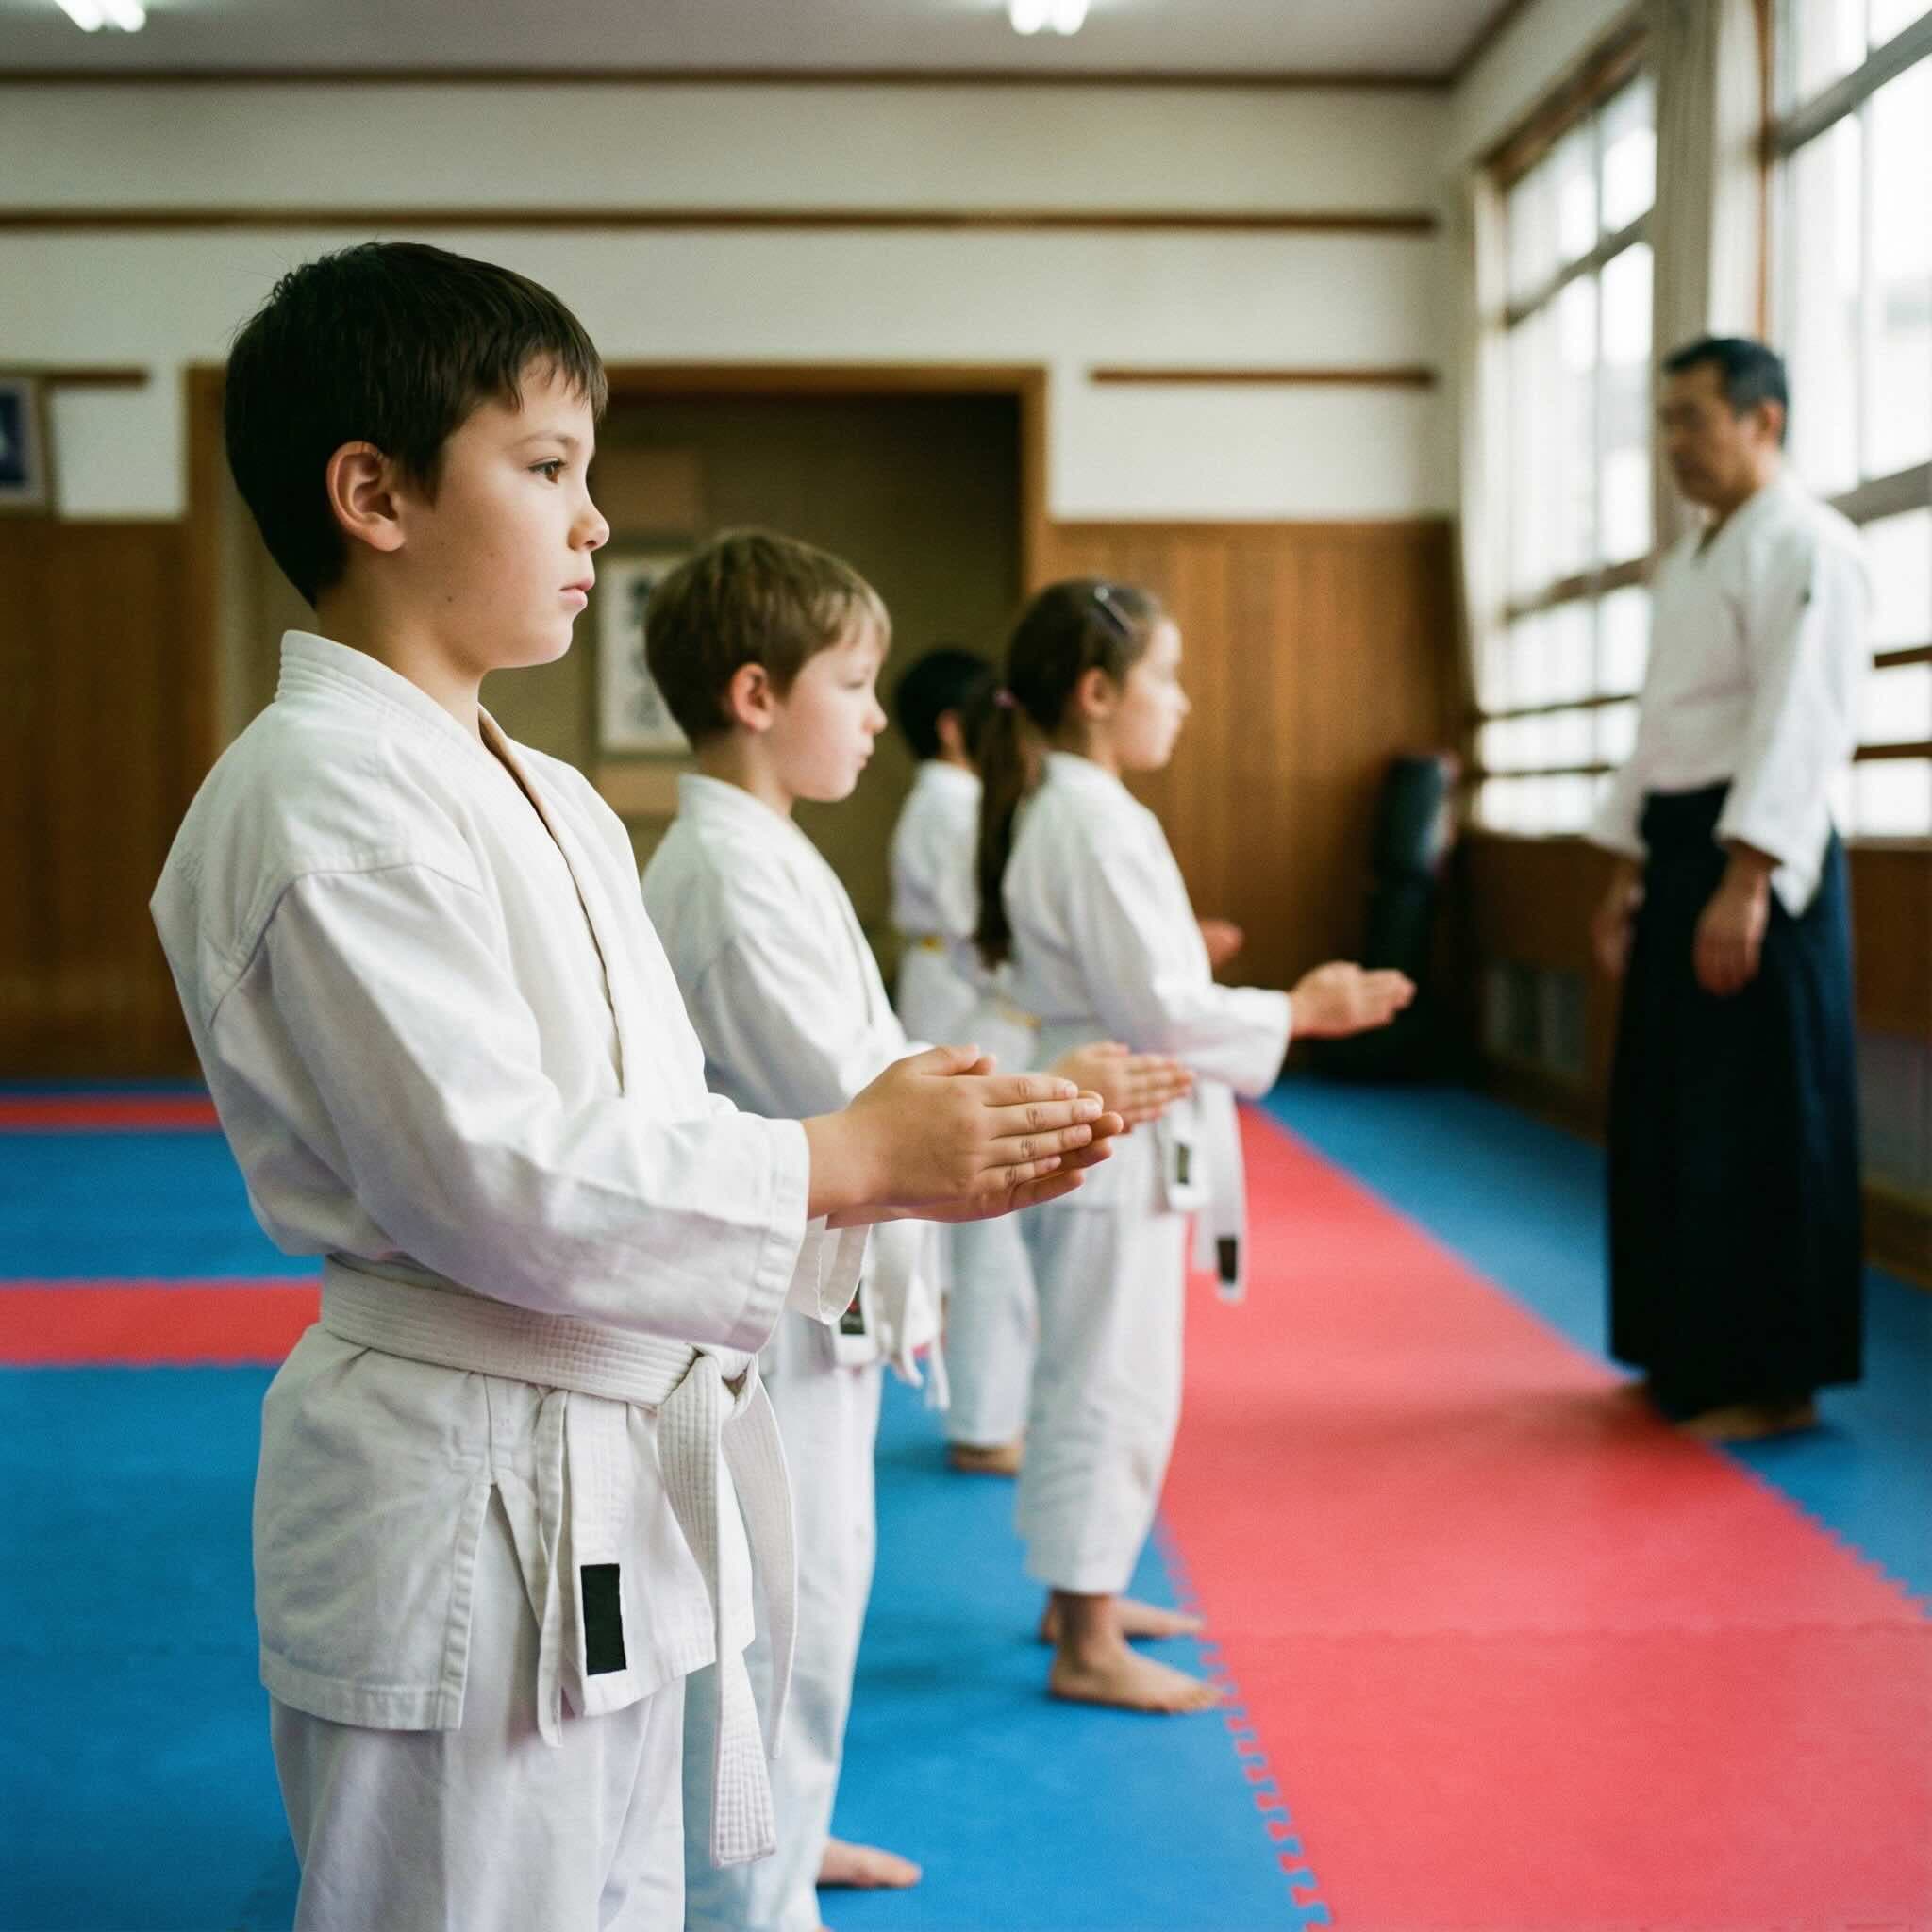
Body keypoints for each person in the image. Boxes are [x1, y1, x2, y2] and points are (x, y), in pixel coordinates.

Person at [148, 242, 1124, 1932]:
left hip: (609, 1451)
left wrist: (893, 1158)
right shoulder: (319, 795)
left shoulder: (551, 794)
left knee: (623, 1898)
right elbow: (491, 1172)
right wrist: (840, 1156)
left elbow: (657, 1118)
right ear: (374, 495)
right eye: (546, 470)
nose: (596, 523)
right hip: (455, 1476)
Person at [639, 530, 1185, 1930]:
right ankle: (746, 1898)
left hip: (816, 1286)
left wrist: (1037, 1088)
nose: (879, 716)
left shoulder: (771, 853)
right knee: (774, 1611)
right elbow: (858, 1106)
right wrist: (1049, 1085)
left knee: (816, 1602)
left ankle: (783, 1836)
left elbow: (879, 1065)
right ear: (756, 695)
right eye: (853, 683)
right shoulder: (723, 876)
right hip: (770, 1300)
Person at [976, 577, 1414, 1713]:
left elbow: (1146, 984)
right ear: (1095, 691)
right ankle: (1084, 1635)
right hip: (1109, 1115)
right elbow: (1160, 1009)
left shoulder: (1078, 808)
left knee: (1096, 1368)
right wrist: (1299, 1008)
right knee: (1107, 1377)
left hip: (1108, 1110)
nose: (1180, 701)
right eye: (1163, 677)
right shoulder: (1089, 819)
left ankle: (1080, 1596)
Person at [1589, 336, 1869, 1441]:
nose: (1672, 442)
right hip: (1677, 847)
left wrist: (1745, 878)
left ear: (1763, 420)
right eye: (1663, 420)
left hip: (1754, 857)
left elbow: (1802, 719)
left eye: (1692, 418)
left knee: (1761, 1111)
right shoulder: (1693, 557)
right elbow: (1658, 728)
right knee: (1672, 1106)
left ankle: (1773, 1377)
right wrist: (1629, 868)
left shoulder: (1809, 544)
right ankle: (1682, 1349)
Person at [891, 648, 1047, 1476]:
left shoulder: (950, 801)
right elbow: (978, 926)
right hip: (963, 994)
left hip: (957, 986)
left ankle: (985, 1405)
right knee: (986, 1213)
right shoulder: (950, 806)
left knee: (973, 1212)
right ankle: (985, 1420)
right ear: (955, 728)